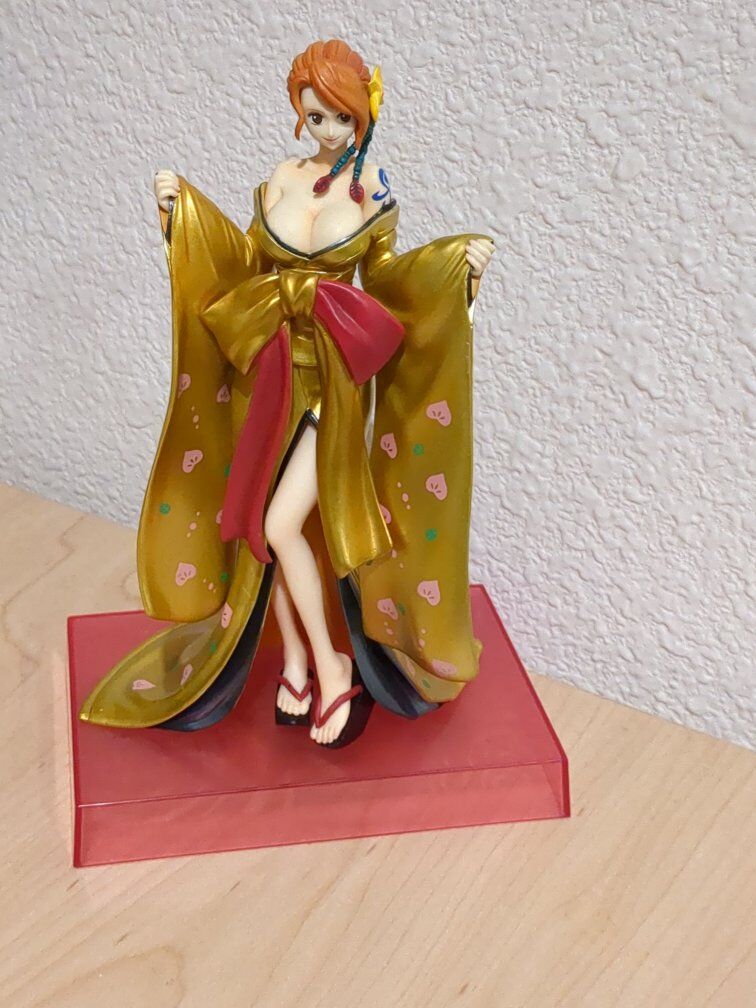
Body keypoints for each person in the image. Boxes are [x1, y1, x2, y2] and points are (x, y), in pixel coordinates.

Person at [79, 38, 494, 748]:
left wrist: (458, 268)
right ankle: (297, 663)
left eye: (341, 116)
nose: (327, 129)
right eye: (315, 115)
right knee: (256, 530)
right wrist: (185, 217)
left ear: (363, 113)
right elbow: (244, 261)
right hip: (267, 371)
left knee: (280, 525)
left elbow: (388, 281)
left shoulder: (374, 191)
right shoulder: (281, 178)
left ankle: (335, 667)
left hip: (331, 379)